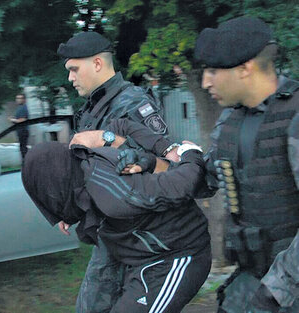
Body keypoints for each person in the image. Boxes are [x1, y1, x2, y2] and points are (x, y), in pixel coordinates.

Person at [56, 31, 181, 313]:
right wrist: (71, 206)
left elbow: (159, 165)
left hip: (137, 234)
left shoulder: (134, 103)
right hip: (110, 230)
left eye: (74, 69)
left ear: (98, 63)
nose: (70, 78)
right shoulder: (94, 107)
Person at [22, 137, 211, 313]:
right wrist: (65, 212)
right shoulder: (84, 170)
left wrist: (190, 153)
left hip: (179, 258)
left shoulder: (110, 193)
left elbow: (181, 185)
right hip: (144, 259)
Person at [194, 16, 299, 313]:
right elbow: (205, 179)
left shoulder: (294, 116)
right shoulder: (232, 119)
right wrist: (147, 162)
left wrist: (274, 294)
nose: (205, 81)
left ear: (245, 68)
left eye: (213, 71)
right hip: (254, 277)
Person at [9, 93, 29, 162]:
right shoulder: (19, 108)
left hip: (23, 131)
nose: (18, 100)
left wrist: (13, 120)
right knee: (22, 148)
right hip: (20, 131)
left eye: (20, 98)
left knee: (23, 148)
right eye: (17, 98)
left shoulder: (23, 108)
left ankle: (26, 162)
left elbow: (23, 120)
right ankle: (25, 161)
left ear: (24, 100)